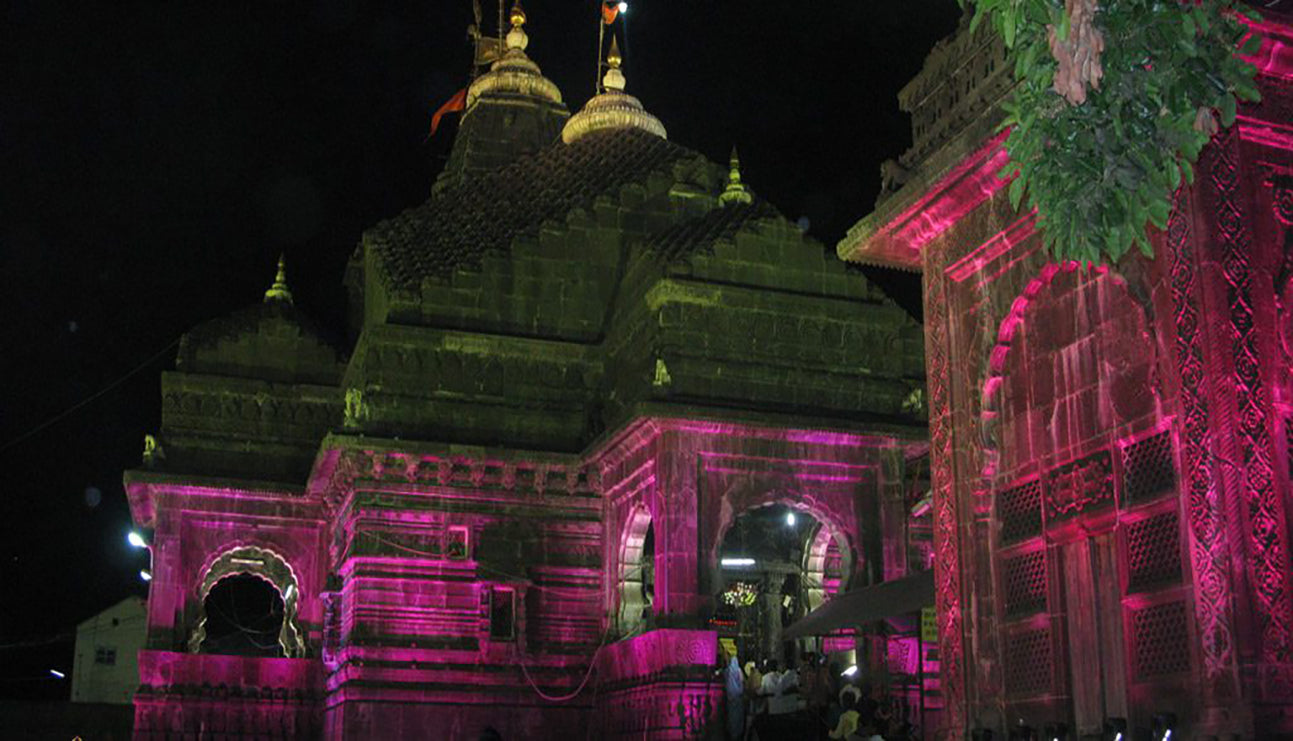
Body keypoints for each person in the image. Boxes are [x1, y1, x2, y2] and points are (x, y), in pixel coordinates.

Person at [724, 651, 745, 741]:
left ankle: (732, 734)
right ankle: (738, 734)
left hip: (730, 697)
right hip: (738, 697)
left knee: (732, 716)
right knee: (738, 716)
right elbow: (742, 681)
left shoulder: (727, 671)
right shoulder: (738, 671)